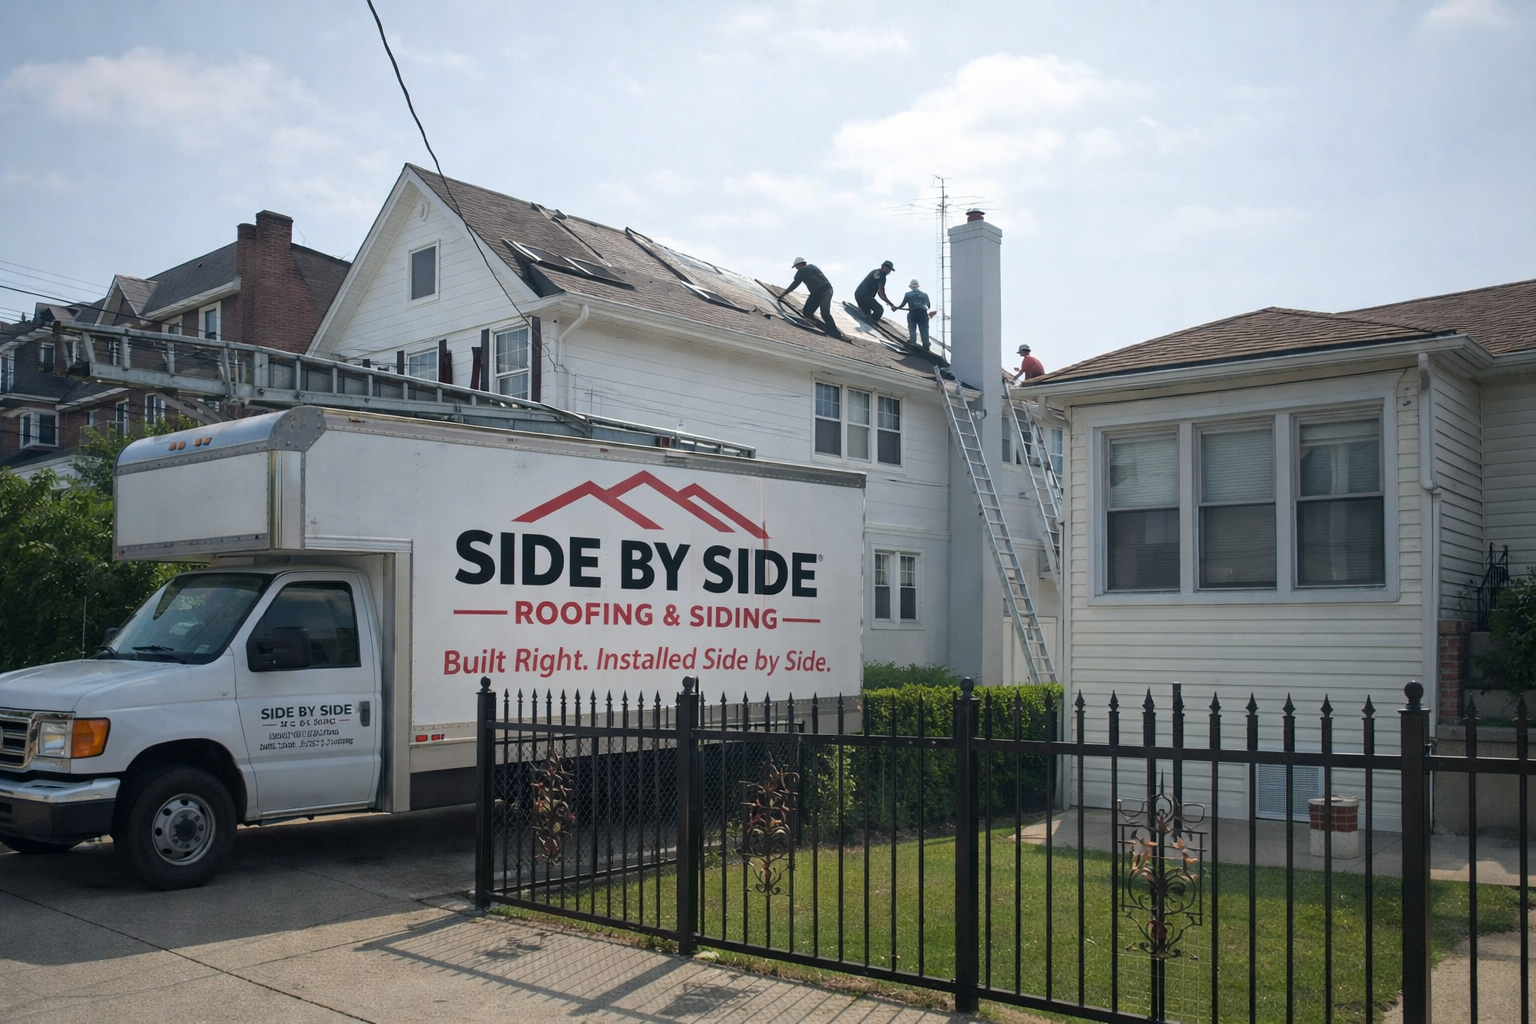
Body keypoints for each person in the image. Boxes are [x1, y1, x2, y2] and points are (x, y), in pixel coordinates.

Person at [782, 257, 845, 340]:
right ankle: (819, 326)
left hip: (824, 291)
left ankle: (835, 333)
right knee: (808, 311)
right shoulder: (812, 266)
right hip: (821, 291)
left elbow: (795, 284)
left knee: (824, 313)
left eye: (796, 267)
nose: (796, 269)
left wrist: (783, 294)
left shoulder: (802, 271)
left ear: (799, 264)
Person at [894, 278, 937, 350]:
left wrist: (896, 308)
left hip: (913, 313)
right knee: (924, 329)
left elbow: (903, 304)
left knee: (912, 328)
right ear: (918, 286)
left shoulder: (908, 294)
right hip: (923, 313)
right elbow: (928, 306)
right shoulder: (924, 295)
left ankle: (912, 342)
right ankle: (926, 345)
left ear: (911, 287)